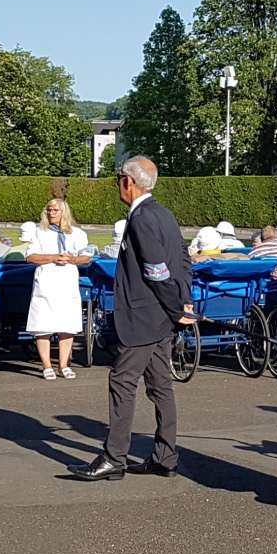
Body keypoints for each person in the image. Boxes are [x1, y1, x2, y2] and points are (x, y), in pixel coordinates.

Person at [68, 157, 195, 482]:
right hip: (160, 316)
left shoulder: (142, 218)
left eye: (118, 179)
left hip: (145, 317)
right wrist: (183, 300)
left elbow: (157, 271)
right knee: (160, 385)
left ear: (128, 181)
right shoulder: (164, 214)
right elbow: (183, 260)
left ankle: (114, 458)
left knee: (122, 381)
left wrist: (176, 307)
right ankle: (165, 456)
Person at [25, 199, 92, 380]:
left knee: (67, 324)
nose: (51, 213)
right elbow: (30, 257)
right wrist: (53, 257)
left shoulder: (77, 234)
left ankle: (63, 365)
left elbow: (87, 257)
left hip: (67, 282)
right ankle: (46, 365)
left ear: (64, 212)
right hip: (46, 282)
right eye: (49, 210)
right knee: (43, 325)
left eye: (55, 210)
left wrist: (72, 259)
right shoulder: (39, 232)